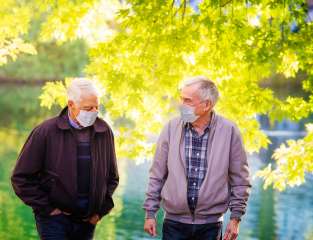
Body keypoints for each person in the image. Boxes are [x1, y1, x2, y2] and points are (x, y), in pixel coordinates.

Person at [143, 76, 251, 240]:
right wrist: (150, 213)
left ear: (207, 104)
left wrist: (235, 218)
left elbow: (240, 179)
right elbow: (157, 174)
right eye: (181, 99)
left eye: (188, 101)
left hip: (211, 226)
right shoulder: (171, 128)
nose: (181, 105)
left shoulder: (229, 131)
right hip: (173, 224)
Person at [11, 78, 119, 240]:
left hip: (87, 220)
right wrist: (48, 209)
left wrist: (100, 211)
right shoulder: (45, 132)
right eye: (87, 108)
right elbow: (21, 178)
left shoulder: (104, 131)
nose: (94, 112)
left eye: (97, 107)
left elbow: (112, 177)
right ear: (71, 105)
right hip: (53, 220)